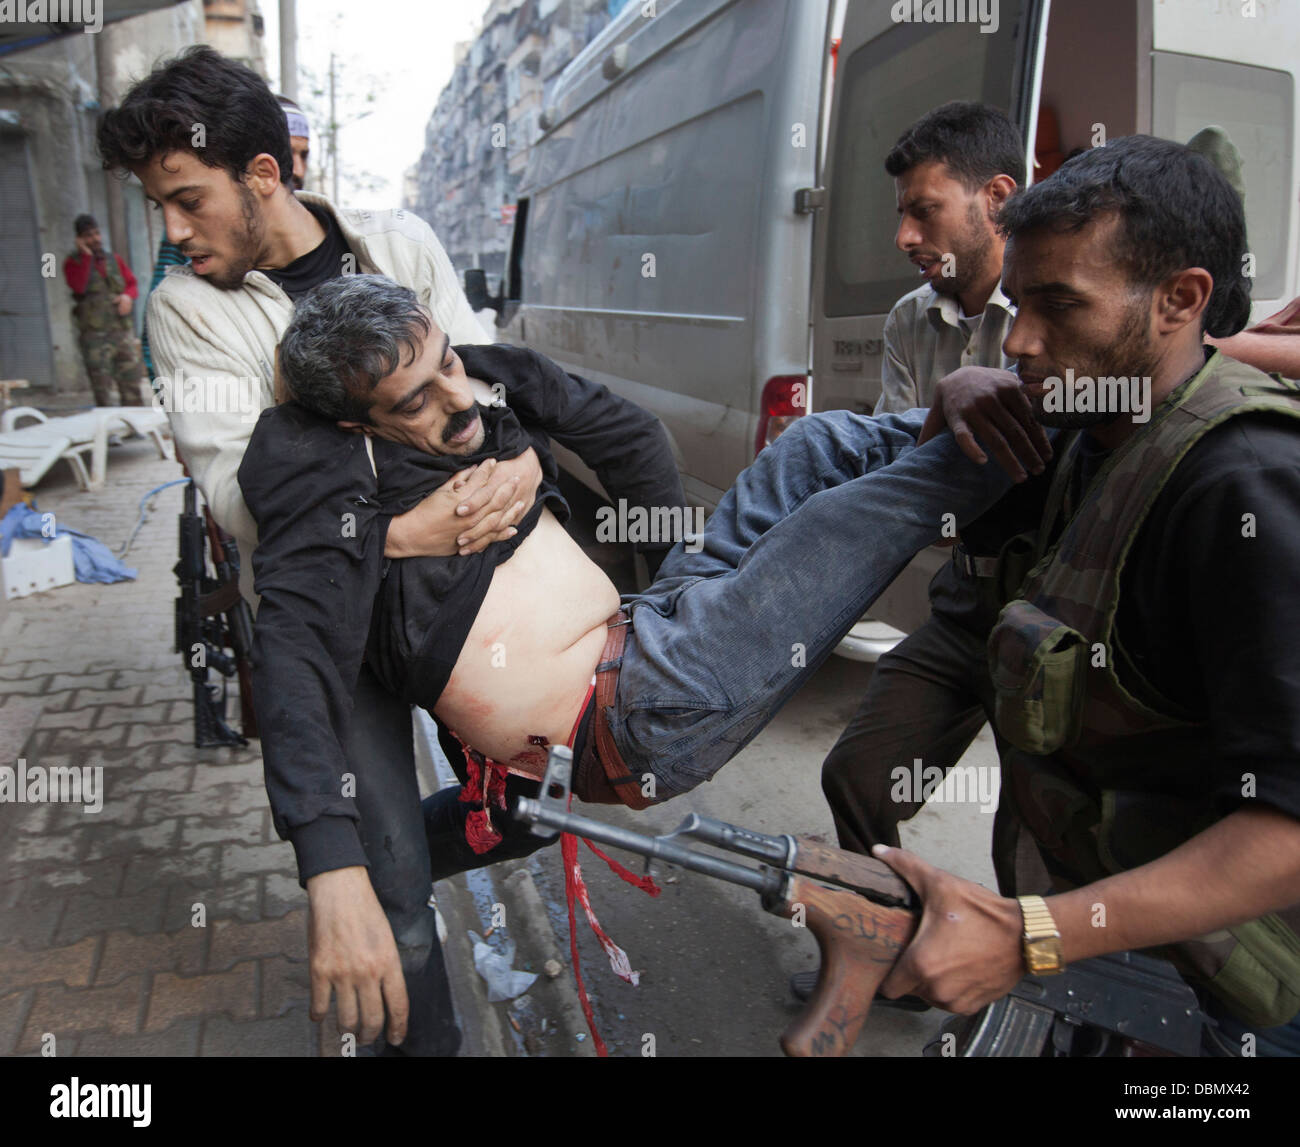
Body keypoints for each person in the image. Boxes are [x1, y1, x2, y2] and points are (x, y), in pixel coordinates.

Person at [243, 272, 1038, 1049]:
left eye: (446, 363)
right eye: (416, 398)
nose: (455, 399)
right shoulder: (326, 492)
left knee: (815, 443)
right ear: (354, 429)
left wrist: (681, 584)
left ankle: (1012, 423)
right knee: (853, 515)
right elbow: (292, 669)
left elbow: (622, 433)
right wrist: (333, 868)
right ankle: (1064, 434)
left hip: (655, 629)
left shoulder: (478, 394)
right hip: (633, 713)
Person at [95, 45, 572, 1058]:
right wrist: (400, 527)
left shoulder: (399, 248)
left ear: (262, 176)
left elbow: (486, 388)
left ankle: (394, 853)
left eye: (186, 200)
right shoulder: (187, 310)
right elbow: (237, 498)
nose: (172, 234)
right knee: (394, 915)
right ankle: (393, 922)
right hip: (335, 632)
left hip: (467, 593)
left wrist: (527, 466)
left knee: (542, 802)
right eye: (157, 208)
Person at [869, 136, 1300, 1055]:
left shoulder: (1243, 486)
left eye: (1059, 305)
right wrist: (958, 391)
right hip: (1103, 951)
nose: (1020, 340)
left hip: (1216, 1010)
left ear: (1182, 299)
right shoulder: (1083, 430)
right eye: (1019, 301)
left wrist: (1035, 937)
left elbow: (1286, 834)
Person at [819, 105, 1048, 904]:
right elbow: (904, 472)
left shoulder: (1053, 310)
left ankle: (1034, 1001)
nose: (905, 237)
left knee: (1034, 831)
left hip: (1055, 615)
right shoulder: (910, 321)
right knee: (856, 774)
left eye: (926, 210)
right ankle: (891, 943)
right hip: (966, 604)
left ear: (996, 198)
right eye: (902, 214)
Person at [141, 95, 311, 382]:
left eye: (303, 155)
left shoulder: (336, 239)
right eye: (288, 153)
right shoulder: (194, 234)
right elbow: (158, 335)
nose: (297, 169)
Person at [62, 213, 147, 407]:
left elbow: (132, 284)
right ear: (80, 239)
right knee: (102, 387)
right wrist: (86, 257)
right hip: (94, 337)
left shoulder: (113, 260)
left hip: (120, 332)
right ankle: (109, 432)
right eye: (88, 235)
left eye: (96, 233)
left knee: (131, 380)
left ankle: (133, 426)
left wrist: (127, 296)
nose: (95, 239)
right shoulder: (72, 262)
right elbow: (79, 286)